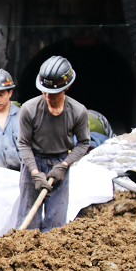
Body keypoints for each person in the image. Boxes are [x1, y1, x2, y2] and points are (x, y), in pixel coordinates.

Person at [16, 56, 90, 232]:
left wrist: (64, 165)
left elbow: (84, 143)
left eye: (53, 93)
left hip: (59, 164)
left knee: (55, 224)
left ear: (67, 87)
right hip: (33, 162)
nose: (48, 96)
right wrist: (34, 173)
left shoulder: (78, 112)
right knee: (28, 221)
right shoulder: (29, 109)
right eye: (44, 91)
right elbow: (24, 144)